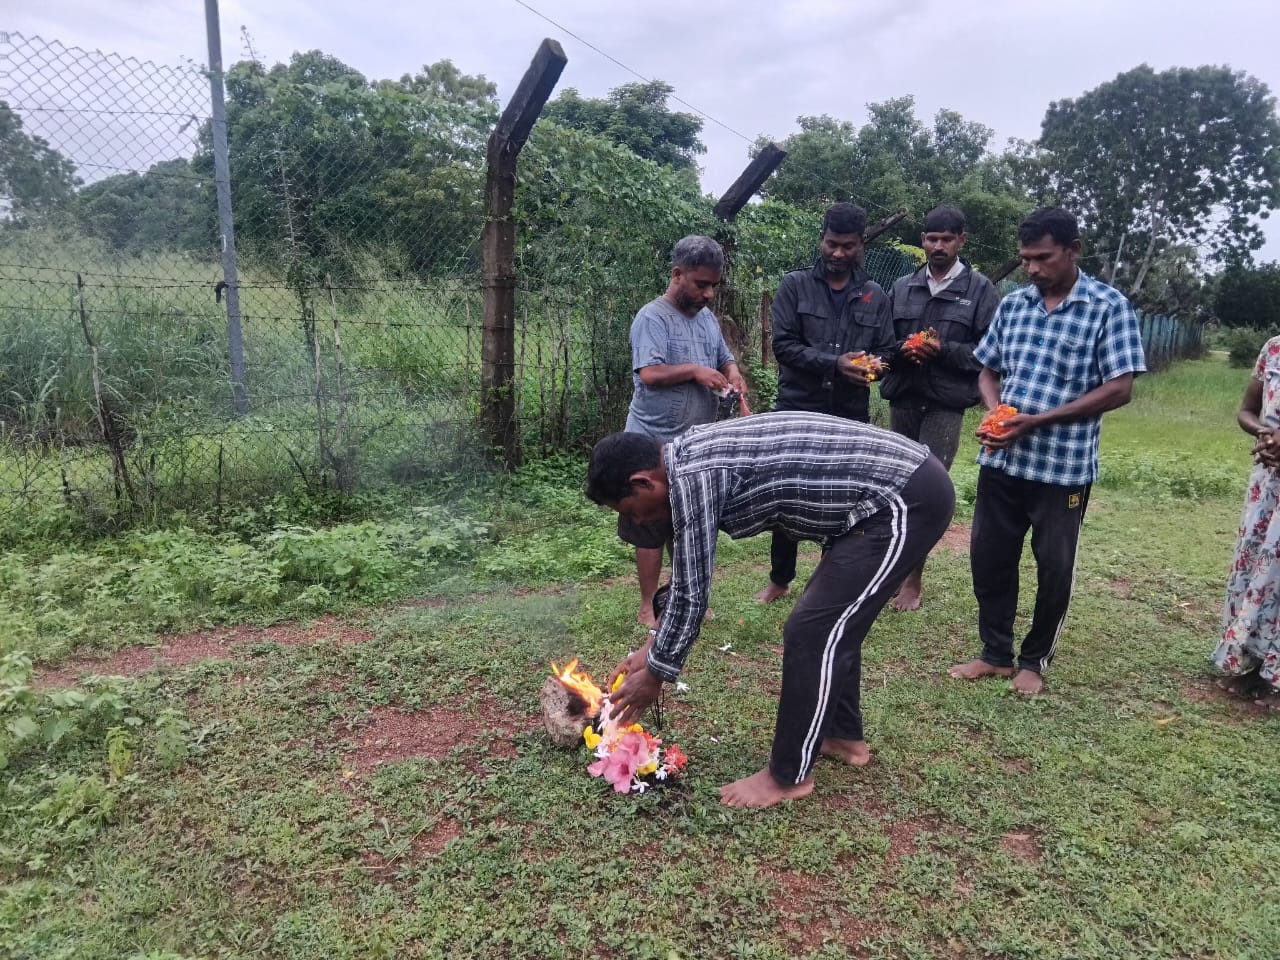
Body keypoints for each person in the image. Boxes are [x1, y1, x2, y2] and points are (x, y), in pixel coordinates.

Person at [587, 412, 955, 808]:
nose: (637, 521)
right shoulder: (684, 462)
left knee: (813, 630)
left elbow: (693, 593)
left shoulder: (695, 478)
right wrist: (653, 647)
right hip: (875, 502)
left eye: (630, 511)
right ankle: (843, 737)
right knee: (829, 626)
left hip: (903, 498)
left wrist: (656, 676)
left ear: (645, 482)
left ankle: (789, 777)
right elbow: (685, 580)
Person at [948, 207, 1146, 695]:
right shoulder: (1015, 306)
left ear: (1073, 250)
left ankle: (1033, 660)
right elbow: (987, 370)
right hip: (1002, 459)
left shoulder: (1108, 306)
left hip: (1063, 469)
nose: (1033, 269)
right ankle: (995, 654)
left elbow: (1120, 388)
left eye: (1043, 257)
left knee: (1054, 566)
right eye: (1025, 260)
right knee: (989, 559)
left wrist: (1036, 421)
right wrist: (997, 411)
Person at [753, 203, 896, 604]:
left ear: (860, 244)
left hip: (849, 411)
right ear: (822, 239)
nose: (837, 253)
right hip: (798, 406)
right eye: (832, 244)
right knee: (787, 489)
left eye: (847, 246)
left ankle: (829, 581)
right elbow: (783, 347)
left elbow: (886, 351)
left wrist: (872, 367)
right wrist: (834, 363)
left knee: (844, 495)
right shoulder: (794, 286)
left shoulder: (875, 295)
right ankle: (780, 579)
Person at [623, 235, 748, 627]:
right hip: (651, 442)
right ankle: (647, 606)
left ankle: (683, 598)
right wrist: (695, 370)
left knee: (690, 523)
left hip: (695, 443)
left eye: (714, 285)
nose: (709, 293)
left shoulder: (706, 318)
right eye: (701, 284)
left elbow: (724, 358)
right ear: (678, 274)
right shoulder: (652, 317)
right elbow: (650, 373)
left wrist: (732, 372)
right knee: (649, 524)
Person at [880, 205, 1000, 611]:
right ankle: (889, 572)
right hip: (905, 399)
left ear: (962, 241)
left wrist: (942, 350)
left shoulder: (980, 290)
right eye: (932, 239)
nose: (938, 246)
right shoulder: (902, 287)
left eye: (947, 239)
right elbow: (886, 344)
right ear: (922, 241)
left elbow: (989, 356)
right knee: (895, 484)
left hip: (946, 405)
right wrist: (905, 351)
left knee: (926, 489)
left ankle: (913, 580)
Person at [1210, 336, 1280, 709]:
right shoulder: (1273, 350)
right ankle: (1252, 664)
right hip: (1267, 485)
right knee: (1257, 572)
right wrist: (1264, 433)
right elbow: (1247, 410)